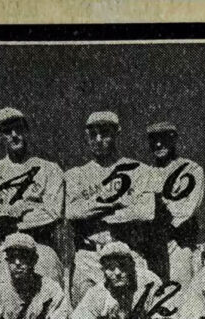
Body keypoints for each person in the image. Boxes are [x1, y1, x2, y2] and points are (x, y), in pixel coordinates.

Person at [146, 121, 205, 319]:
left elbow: (182, 213)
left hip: (179, 248)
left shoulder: (189, 169)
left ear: (175, 138)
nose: (159, 144)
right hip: (152, 254)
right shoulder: (143, 174)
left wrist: (154, 210)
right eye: (153, 140)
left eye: (164, 138)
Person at [64, 111, 155, 306]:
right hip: (90, 257)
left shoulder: (139, 170)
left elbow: (146, 212)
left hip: (127, 252)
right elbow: (72, 212)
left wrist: (97, 214)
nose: (98, 139)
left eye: (104, 133)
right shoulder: (76, 175)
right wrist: (113, 204)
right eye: (93, 134)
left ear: (116, 133)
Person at [0, 108, 65, 289]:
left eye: (18, 129)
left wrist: (13, 216)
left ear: (26, 131)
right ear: (1, 135)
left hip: (38, 245)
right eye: (8, 131)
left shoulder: (49, 169)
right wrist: (26, 208)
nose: (14, 135)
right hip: (0, 247)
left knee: (48, 298)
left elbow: (52, 213)